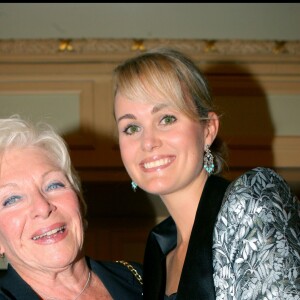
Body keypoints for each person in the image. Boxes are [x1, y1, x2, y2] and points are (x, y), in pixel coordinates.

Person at [113, 47, 300, 299]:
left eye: (166, 119)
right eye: (131, 127)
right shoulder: (158, 252)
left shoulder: (250, 205)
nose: (148, 142)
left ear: (208, 130)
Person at [0, 115, 143, 299]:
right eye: (12, 199)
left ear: (78, 198)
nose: (43, 208)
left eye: (53, 185)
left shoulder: (142, 279)